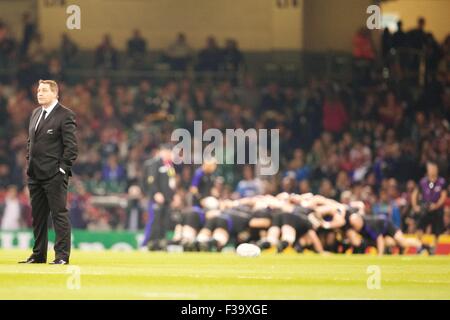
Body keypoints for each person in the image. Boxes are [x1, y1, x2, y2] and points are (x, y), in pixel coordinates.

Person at [20, 80, 78, 264]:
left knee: (59, 214)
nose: (39, 93)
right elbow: (31, 141)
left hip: (54, 174)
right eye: (38, 90)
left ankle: (61, 256)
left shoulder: (65, 115)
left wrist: (62, 170)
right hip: (35, 174)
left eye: (44, 90)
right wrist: (29, 162)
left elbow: (72, 147)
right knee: (37, 216)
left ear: (55, 93)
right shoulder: (36, 113)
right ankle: (38, 255)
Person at [141, 144, 176, 250]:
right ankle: (147, 243)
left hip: (167, 199)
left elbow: (170, 182)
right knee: (154, 221)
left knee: (164, 221)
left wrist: (172, 195)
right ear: (164, 152)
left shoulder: (169, 165)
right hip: (156, 198)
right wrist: (156, 193)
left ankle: (161, 243)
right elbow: (151, 180)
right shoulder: (155, 163)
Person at [412, 161, 447, 237]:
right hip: (425, 209)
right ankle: (420, 246)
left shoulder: (442, 182)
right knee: (419, 228)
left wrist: (436, 205)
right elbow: (415, 194)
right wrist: (415, 206)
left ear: (437, 169)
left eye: (434, 168)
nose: (432, 170)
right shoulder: (423, 181)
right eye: (430, 168)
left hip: (437, 210)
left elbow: (443, 196)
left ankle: (436, 246)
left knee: (438, 231)